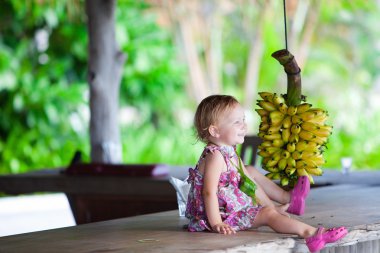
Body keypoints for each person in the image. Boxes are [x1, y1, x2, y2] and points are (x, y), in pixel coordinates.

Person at [185, 94, 347, 252]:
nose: (244, 126)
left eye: (243, 120)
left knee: (268, 211)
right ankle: (312, 234)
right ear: (215, 131)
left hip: (228, 212)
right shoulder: (215, 155)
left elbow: (248, 182)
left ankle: (309, 230)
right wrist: (216, 223)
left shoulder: (229, 152)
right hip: (217, 217)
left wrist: (271, 207)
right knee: (268, 215)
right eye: (237, 122)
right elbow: (208, 192)